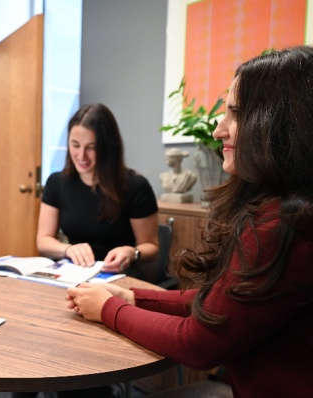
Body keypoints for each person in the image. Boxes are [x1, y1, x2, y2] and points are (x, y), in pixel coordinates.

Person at [66, 46, 313, 397]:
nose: (218, 129)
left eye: (235, 114)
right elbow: (225, 301)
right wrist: (134, 297)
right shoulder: (285, 212)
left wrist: (111, 308)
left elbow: (198, 342)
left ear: (280, 126)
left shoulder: (281, 225)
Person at [36, 103, 159, 276]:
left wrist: (132, 252)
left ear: (108, 147)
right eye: (75, 145)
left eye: (91, 147)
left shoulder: (136, 186)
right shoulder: (57, 183)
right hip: (72, 273)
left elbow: (151, 247)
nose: (81, 155)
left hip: (118, 275)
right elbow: (43, 240)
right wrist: (68, 249)